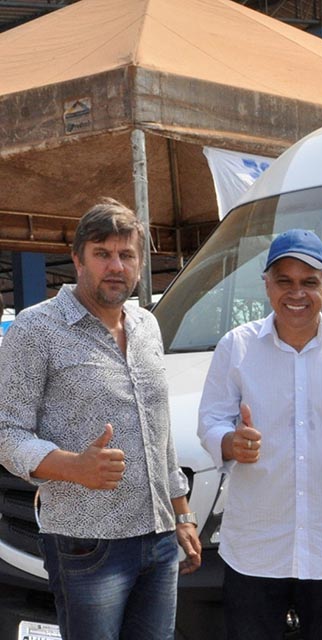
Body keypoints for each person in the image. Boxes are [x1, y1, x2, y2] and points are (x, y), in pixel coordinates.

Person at [0, 198, 202, 640]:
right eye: (102, 253)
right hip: (88, 543)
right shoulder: (36, 330)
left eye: (126, 255)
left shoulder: (147, 325)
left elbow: (159, 427)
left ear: (140, 263)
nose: (116, 266)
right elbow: (6, 432)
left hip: (159, 535)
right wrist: (72, 466)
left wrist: (182, 512)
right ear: (77, 259)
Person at [197, 229, 322, 640]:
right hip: (255, 548)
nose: (297, 293)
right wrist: (228, 442)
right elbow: (210, 420)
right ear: (267, 285)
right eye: (284, 281)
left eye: (309, 282)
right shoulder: (236, 347)